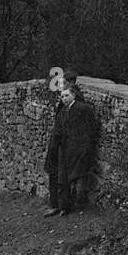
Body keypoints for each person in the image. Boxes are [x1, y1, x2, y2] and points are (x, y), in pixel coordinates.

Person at [53, 84, 100, 215]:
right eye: (62, 96)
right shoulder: (62, 112)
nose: (64, 98)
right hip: (66, 150)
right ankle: (65, 207)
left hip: (80, 149)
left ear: (73, 95)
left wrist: (87, 146)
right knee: (63, 178)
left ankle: (80, 205)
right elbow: (58, 131)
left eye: (67, 95)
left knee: (79, 176)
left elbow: (93, 128)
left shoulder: (83, 109)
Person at [43, 68, 79, 215]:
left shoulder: (74, 100)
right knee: (55, 173)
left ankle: (62, 205)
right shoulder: (63, 99)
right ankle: (55, 204)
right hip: (56, 143)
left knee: (62, 175)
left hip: (63, 144)